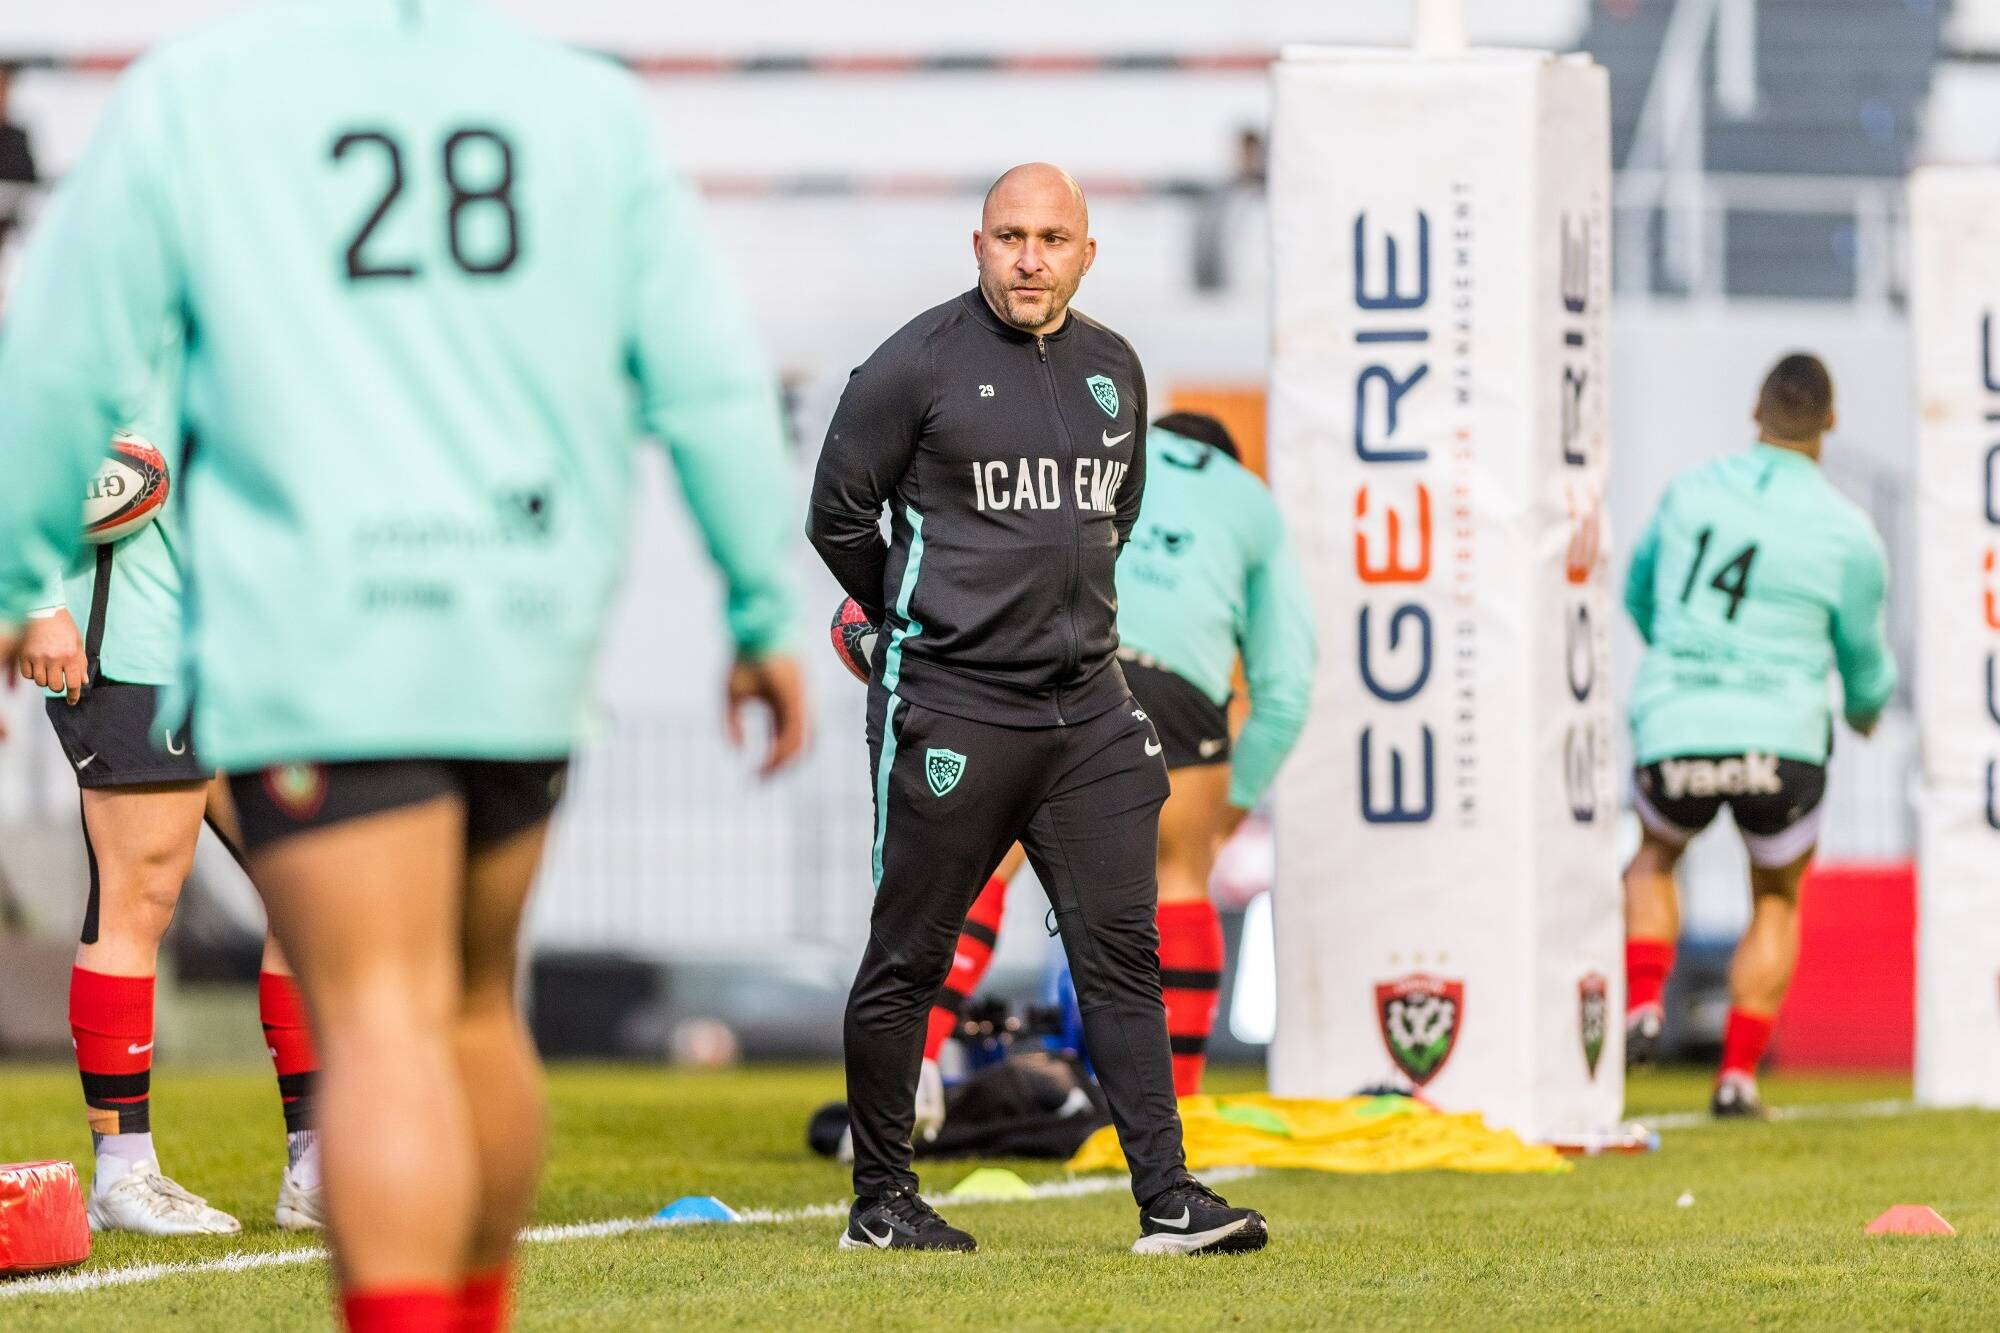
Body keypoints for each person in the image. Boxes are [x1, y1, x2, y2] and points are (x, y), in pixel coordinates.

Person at [0, 2, 807, 1327]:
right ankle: (235, 1189)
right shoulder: (586, 106)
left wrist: (12, 578)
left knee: (379, 1021)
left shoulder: (198, 95)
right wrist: (762, 610)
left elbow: (51, 364)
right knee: (471, 1007)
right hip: (518, 626)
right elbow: (712, 376)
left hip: (322, 625)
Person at [807, 162, 1266, 1256]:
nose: (1029, 258)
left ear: (1085, 253)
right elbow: (837, 517)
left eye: (1051, 239)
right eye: (1009, 236)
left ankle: (1168, 1199)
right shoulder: (912, 364)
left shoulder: (1115, 367)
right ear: (978, 245)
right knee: (908, 957)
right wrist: (915, 625)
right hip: (954, 707)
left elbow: (1115, 517)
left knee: (1123, 955)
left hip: (1088, 711)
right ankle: (881, 1203)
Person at [915, 411, 1314, 1129]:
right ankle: (1173, 1117)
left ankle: (906, 1070)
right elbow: (1284, 696)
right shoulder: (1253, 503)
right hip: (1175, 686)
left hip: (1059, 649)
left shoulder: (1108, 444)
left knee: (983, 860)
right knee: (1180, 877)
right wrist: (1224, 817)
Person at [20, 382, 322, 1236]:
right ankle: (123, 1171)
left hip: (240, 639)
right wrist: (36, 602)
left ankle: (317, 1166)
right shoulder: (88, 308)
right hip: (132, 639)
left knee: (314, 882)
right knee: (141, 894)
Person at [1620, 353, 1896, 1118]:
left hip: (1678, 722)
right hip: (1783, 739)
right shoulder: (1849, 531)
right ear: (1829, 422)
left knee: (1654, 855)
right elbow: (1866, 667)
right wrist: (1864, 713)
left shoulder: (1688, 492)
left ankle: (1643, 999)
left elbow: (1640, 596)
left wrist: (1682, 668)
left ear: (1755, 410)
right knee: (1776, 894)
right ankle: (1738, 1074)